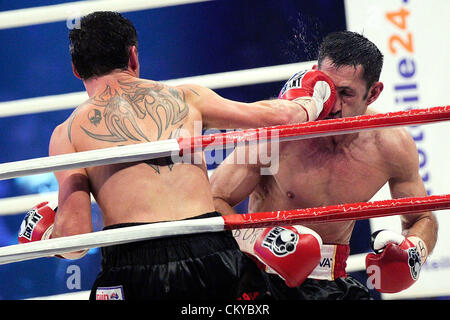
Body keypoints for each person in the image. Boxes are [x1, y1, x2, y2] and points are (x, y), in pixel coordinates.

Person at [16, 11, 337, 300]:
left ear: (76, 69)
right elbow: (280, 118)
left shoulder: (67, 133)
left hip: (132, 267)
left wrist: (48, 233)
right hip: (210, 253)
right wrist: (306, 100)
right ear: (133, 56)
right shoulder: (185, 97)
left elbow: (74, 242)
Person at [210, 31, 438, 299]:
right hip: (259, 275)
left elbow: (422, 218)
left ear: (373, 93)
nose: (333, 104)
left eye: (346, 93)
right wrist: (261, 240)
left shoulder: (391, 144)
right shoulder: (277, 129)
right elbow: (213, 199)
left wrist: (413, 251)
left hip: (330, 281)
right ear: (314, 75)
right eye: (327, 87)